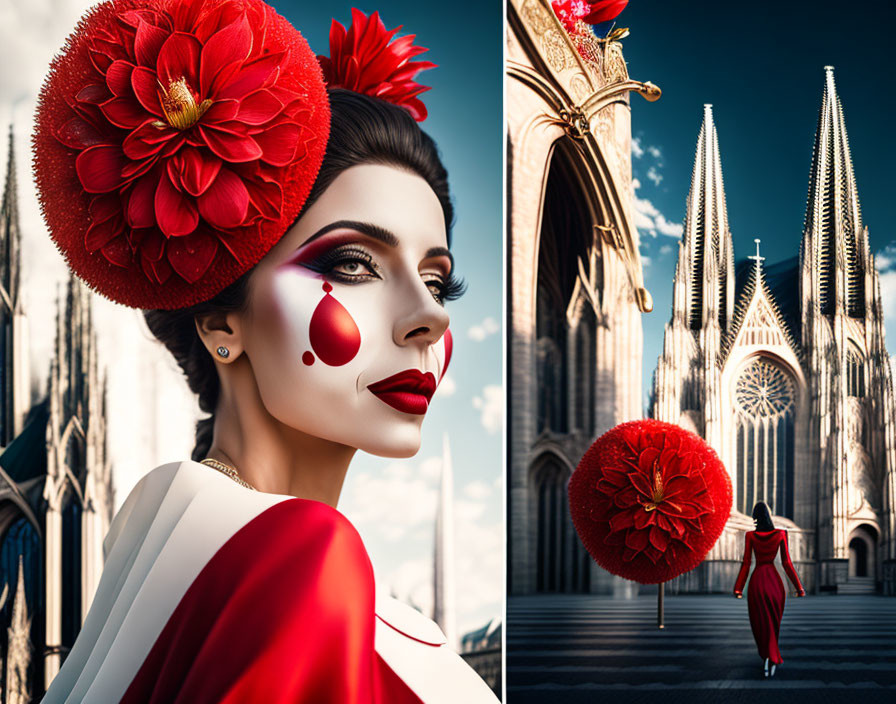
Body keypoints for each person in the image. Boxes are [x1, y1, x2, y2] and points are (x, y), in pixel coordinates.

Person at [33, 0, 497, 700]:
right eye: (353, 264)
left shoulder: (166, 556)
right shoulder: (305, 561)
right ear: (222, 324)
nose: (428, 316)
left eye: (437, 280)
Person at [733, 501, 805, 678]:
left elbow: (746, 564)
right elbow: (787, 563)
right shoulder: (781, 534)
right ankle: (772, 655)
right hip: (774, 582)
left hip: (757, 581)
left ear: (755, 517)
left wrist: (738, 588)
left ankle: (767, 655)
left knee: (760, 623)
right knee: (773, 622)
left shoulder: (750, 536)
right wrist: (799, 587)